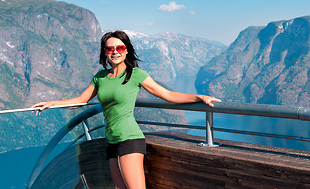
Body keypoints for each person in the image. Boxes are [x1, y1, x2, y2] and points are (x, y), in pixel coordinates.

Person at [32, 30, 221, 189]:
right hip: (112, 142)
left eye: (120, 48)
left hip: (130, 139)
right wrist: (52, 103)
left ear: (127, 50)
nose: (115, 52)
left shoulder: (136, 74)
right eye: (110, 48)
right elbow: (81, 100)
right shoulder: (100, 77)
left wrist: (199, 97)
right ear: (105, 52)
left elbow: (167, 95)